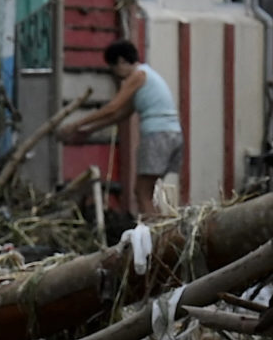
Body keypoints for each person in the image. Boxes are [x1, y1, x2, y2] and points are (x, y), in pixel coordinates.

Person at [64, 38, 183, 215]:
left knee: (141, 192)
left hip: (157, 136)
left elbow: (113, 107)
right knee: (148, 192)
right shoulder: (147, 76)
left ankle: (154, 238)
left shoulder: (138, 75)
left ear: (121, 61)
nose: (116, 75)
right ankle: (160, 232)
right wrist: (87, 131)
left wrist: (76, 124)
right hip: (173, 135)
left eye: (114, 69)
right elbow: (120, 115)